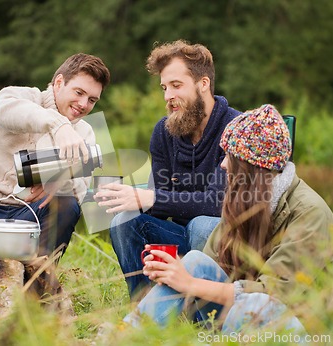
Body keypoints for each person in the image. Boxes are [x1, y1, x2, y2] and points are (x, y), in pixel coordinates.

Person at [123, 104, 333, 334]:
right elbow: (208, 265)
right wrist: (176, 273)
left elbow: (277, 294)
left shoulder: (309, 212)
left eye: (229, 156)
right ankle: (127, 334)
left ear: (253, 165)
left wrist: (190, 284)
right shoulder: (245, 199)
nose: (223, 164)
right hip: (243, 314)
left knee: (248, 306)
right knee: (194, 260)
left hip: (300, 325)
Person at [0, 53, 110, 273]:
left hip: (30, 216)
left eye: (92, 100)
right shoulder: (17, 96)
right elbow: (5, 111)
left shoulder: (85, 132)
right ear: (58, 82)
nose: (84, 105)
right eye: (79, 92)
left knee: (67, 204)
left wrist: (60, 182)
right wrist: (59, 125)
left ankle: (33, 289)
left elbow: (80, 190)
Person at [94, 40, 240, 298]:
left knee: (202, 225)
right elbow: (162, 202)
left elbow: (218, 203)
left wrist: (150, 197)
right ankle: (144, 304)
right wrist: (130, 198)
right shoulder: (164, 131)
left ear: (202, 84)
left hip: (228, 243)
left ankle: (204, 306)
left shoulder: (235, 127)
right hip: (183, 234)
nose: (168, 96)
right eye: (164, 87)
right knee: (123, 221)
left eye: (176, 85)